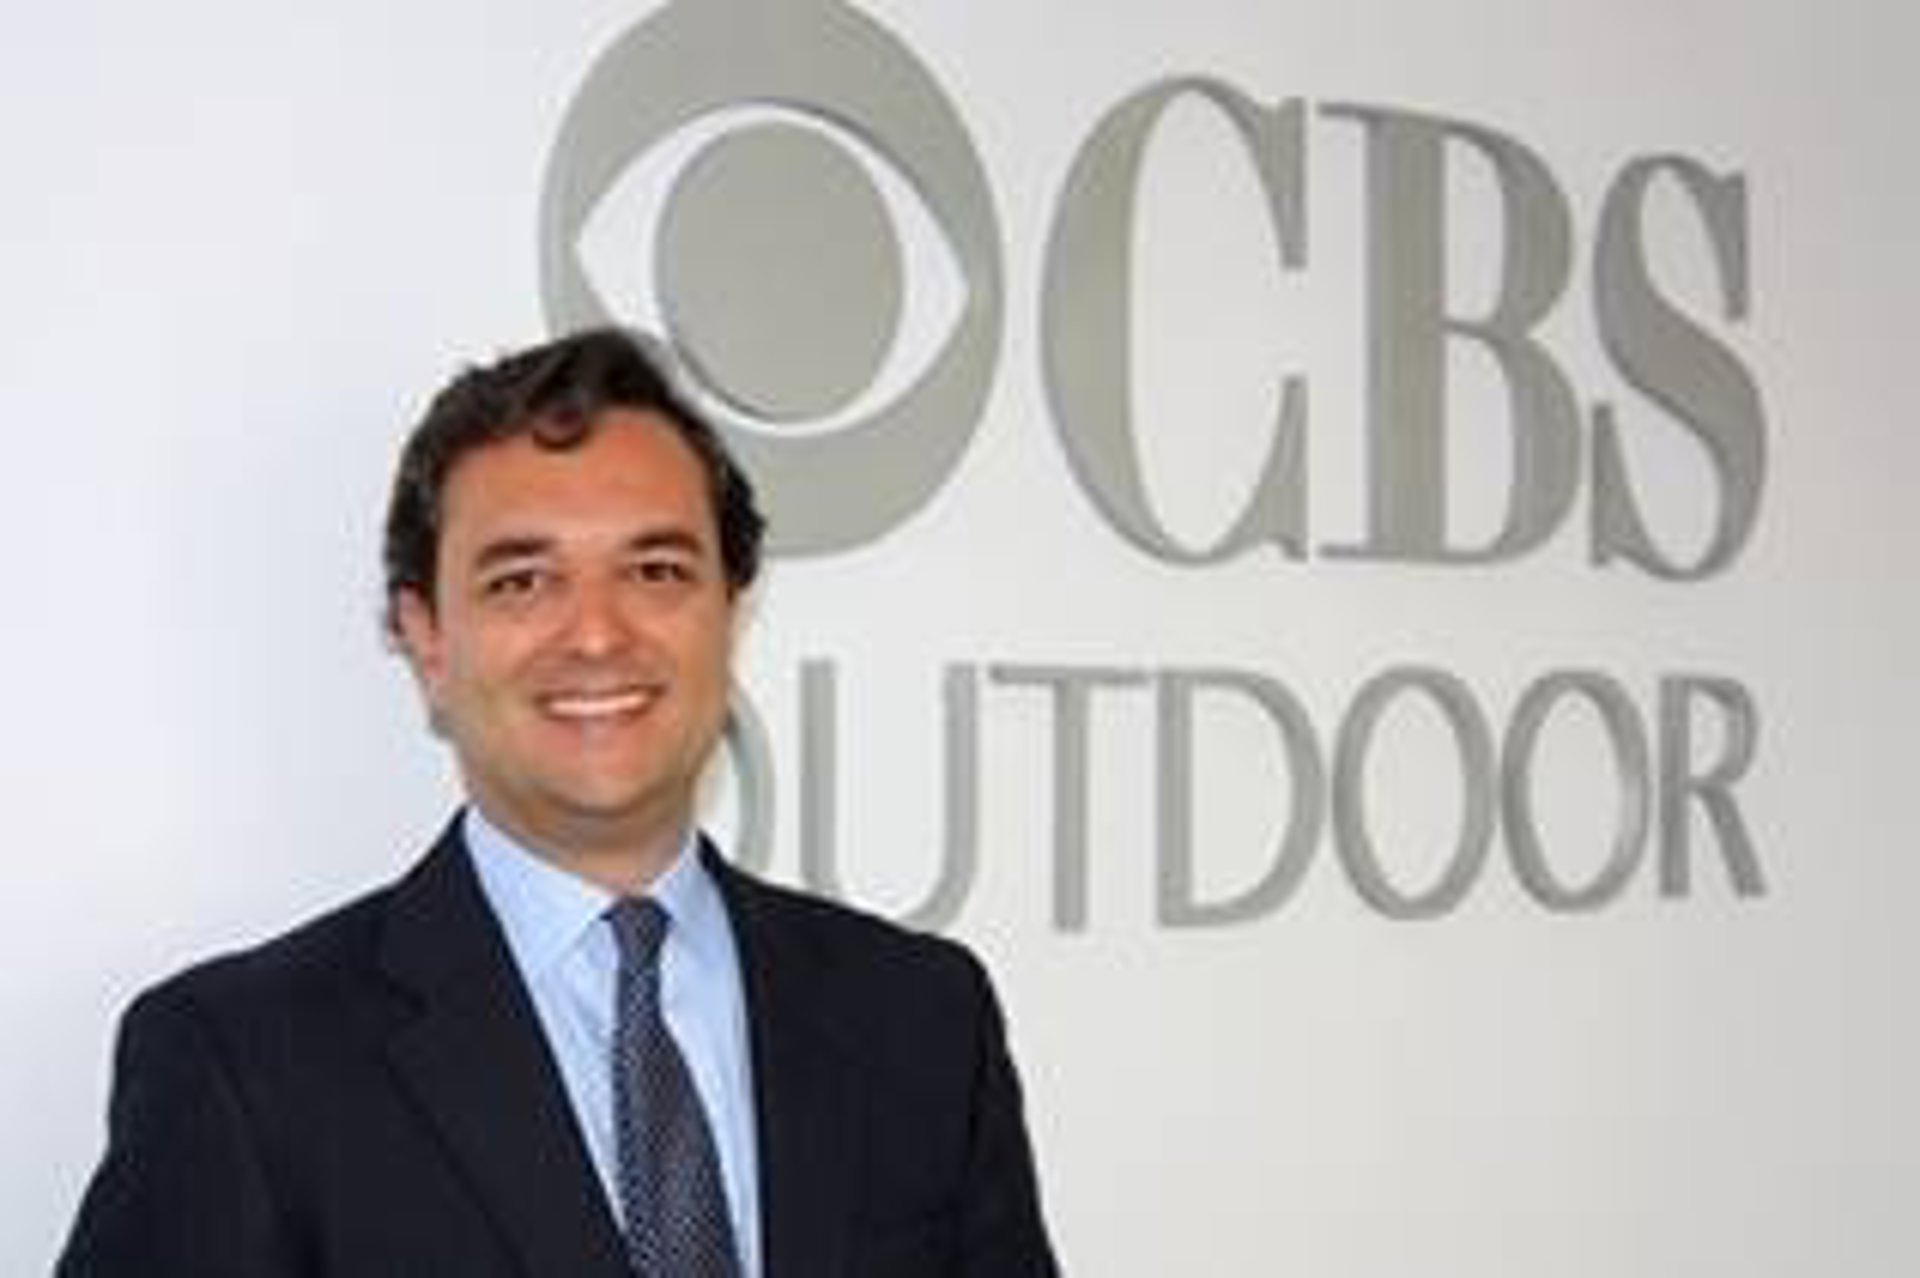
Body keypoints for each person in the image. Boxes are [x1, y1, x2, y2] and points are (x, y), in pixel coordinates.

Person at [59, 328, 1060, 1277]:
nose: (596, 635)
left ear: (730, 610)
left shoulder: (922, 1023)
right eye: (523, 581)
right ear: (426, 635)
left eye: (656, 571)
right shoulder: (244, 1065)